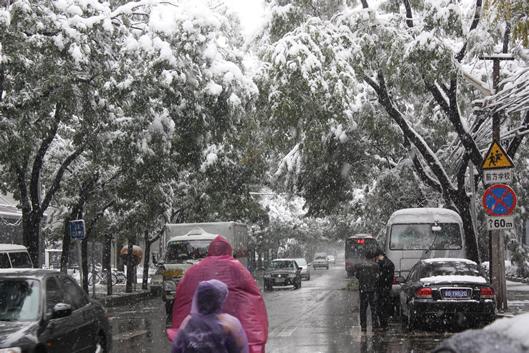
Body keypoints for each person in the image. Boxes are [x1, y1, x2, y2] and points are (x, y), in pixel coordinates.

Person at [168, 235, 268, 353]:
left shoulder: (195, 269)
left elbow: (183, 297)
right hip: (230, 321)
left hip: (200, 321)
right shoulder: (238, 268)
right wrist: (255, 334)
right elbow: (252, 299)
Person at [171, 279, 248, 353]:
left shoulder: (187, 322)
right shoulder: (230, 323)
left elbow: (176, 349)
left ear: (198, 298)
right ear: (220, 299)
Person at [355, 251, 380, 332]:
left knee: (363, 308)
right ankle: (374, 325)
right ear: (372, 257)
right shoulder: (375, 266)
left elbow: (357, 275)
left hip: (363, 290)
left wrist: (362, 281)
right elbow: (377, 277)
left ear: (365, 257)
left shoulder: (360, 266)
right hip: (372, 290)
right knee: (373, 308)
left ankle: (363, 325)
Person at [375, 248, 395, 329]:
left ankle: (383, 323)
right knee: (384, 306)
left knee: (381, 307)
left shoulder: (382, 263)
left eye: (376, 257)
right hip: (386, 288)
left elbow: (381, 277)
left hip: (382, 288)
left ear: (379, 256)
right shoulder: (389, 263)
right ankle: (384, 323)